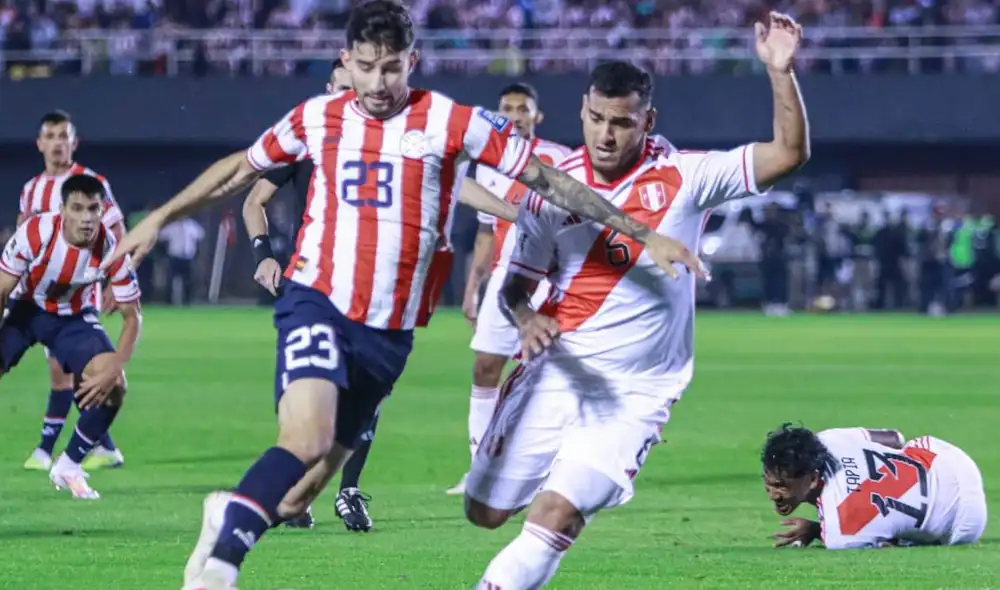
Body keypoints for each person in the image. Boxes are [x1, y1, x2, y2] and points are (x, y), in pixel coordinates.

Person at [103, 2, 699, 587]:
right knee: (304, 438)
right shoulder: (318, 116)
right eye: (365, 66)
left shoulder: (452, 122)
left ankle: (227, 515)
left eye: (391, 67)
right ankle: (222, 563)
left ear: (411, 61)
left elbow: (551, 182)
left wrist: (645, 233)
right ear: (346, 60)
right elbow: (241, 169)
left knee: (300, 492)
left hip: (389, 334)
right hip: (318, 299)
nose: (378, 82)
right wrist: (160, 217)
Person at [466, 14, 810, 588]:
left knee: (556, 515)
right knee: (484, 512)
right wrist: (525, 320)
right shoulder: (550, 190)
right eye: (596, 119)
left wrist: (780, 71)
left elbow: (788, 154)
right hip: (555, 371)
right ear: (582, 110)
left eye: (621, 123)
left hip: (635, 392)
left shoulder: (687, 176)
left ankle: (574, 483)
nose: (605, 135)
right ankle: (545, 465)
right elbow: (515, 288)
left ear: (647, 121)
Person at [243, 57, 518, 532]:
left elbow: (456, 186)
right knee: (313, 395)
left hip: (379, 288)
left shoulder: (392, 139)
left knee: (365, 398)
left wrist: (512, 212)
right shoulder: (311, 136)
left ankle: (344, 489)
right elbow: (252, 199)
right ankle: (291, 490)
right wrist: (262, 254)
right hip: (318, 284)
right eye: (344, 82)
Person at [448, 82, 571, 496]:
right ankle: (478, 470)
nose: (515, 115)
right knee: (485, 367)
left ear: (537, 116)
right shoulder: (486, 165)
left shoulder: (559, 158)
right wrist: (472, 287)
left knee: (543, 373)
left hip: (547, 276)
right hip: (504, 276)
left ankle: (546, 470)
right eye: (507, 108)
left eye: (523, 108)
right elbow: (486, 234)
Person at [0, 174, 143, 500]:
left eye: (93, 209)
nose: (87, 218)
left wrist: (113, 367)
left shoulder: (111, 248)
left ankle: (68, 464)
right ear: (62, 210)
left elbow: (133, 317)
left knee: (116, 385)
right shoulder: (36, 233)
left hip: (73, 320)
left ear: (102, 209)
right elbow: (2, 289)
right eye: (77, 208)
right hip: (25, 311)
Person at [19, 110, 127, 473]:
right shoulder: (31, 190)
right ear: (40, 143)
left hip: (77, 299)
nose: (58, 143)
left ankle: (47, 450)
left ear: (74, 143)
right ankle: (101, 445)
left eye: (64, 136)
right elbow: (23, 235)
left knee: (62, 372)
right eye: (51, 136)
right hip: (37, 298)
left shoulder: (91, 181)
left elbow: (117, 230)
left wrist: (116, 280)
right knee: (74, 375)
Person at [761, 424, 987, 549]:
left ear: (811, 479)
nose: (772, 493)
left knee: (903, 539)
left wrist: (818, 530)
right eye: (767, 481)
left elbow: (885, 548)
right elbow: (895, 437)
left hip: (964, 522)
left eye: (781, 486)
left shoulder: (841, 532)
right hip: (951, 458)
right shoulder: (828, 440)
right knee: (910, 450)